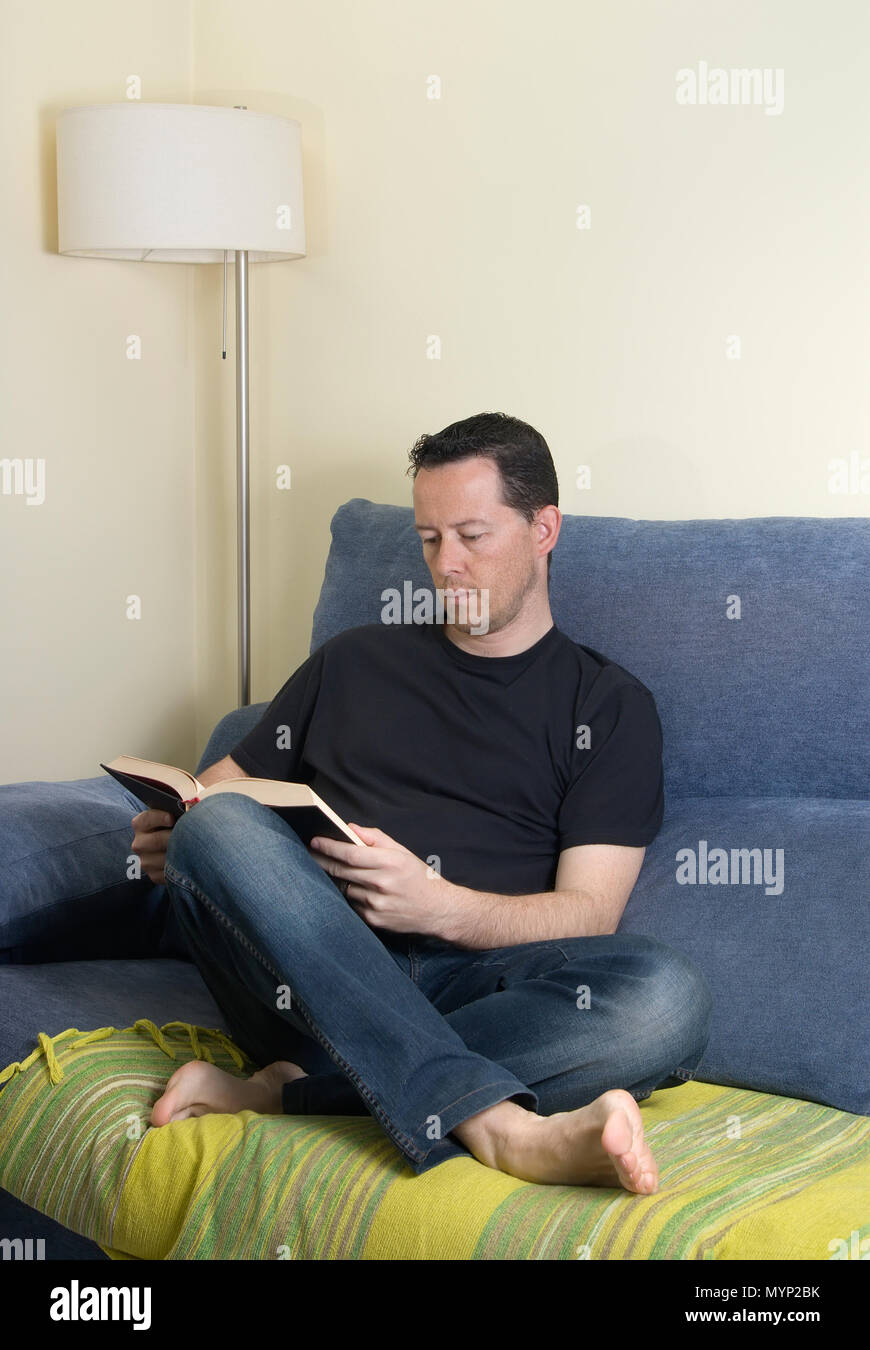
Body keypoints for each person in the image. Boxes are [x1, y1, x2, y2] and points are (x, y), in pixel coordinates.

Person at [134, 413, 712, 1191]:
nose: (448, 564)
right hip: (303, 969)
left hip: (476, 981)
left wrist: (441, 908)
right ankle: (500, 1125)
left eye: (473, 535)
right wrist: (182, 835)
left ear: (544, 529)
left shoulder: (608, 707)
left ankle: (287, 1090)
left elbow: (588, 912)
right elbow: (220, 790)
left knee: (666, 999)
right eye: (431, 539)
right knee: (221, 824)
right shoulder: (351, 662)